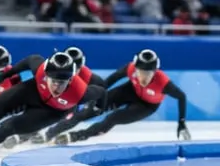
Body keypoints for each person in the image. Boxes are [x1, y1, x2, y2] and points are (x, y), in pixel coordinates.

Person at [54, 49, 190, 145]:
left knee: (112, 119)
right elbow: (109, 81)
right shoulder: (130, 68)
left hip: (147, 106)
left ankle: (75, 136)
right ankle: (50, 133)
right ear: (135, 69)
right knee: (89, 110)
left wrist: (181, 123)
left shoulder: (164, 83)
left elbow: (181, 96)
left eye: (148, 73)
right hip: (129, 90)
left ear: (155, 72)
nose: (143, 77)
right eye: (140, 72)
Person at [32, 46, 105, 143]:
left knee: (75, 115)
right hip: (64, 97)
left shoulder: (91, 78)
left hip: (78, 99)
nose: (74, 72)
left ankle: (50, 134)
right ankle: (32, 131)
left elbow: (102, 91)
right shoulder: (52, 73)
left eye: (77, 68)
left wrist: (98, 106)